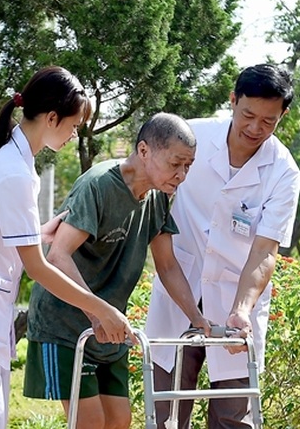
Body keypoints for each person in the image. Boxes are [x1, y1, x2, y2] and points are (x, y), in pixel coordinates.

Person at [0, 65, 135, 429]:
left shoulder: (16, 164)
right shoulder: (14, 172)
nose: (74, 135)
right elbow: (39, 268)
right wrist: (102, 310)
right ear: (52, 117)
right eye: (73, 126)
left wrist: (40, 233)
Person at [23, 112, 212, 429]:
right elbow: (57, 256)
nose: (181, 175)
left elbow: (166, 264)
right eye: (175, 163)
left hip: (109, 331)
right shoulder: (99, 185)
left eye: (188, 166)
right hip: (66, 325)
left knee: (120, 420)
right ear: (143, 150)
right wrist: (97, 313)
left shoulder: (158, 198)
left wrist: (197, 318)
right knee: (91, 423)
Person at [144, 64, 300, 428]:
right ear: (232, 100)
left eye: (268, 121)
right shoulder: (190, 138)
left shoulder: (283, 171)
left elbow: (265, 250)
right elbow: (142, 185)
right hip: (179, 292)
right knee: (165, 411)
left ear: (283, 116)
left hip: (235, 307)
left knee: (234, 416)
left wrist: (242, 310)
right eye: (248, 114)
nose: (254, 128)